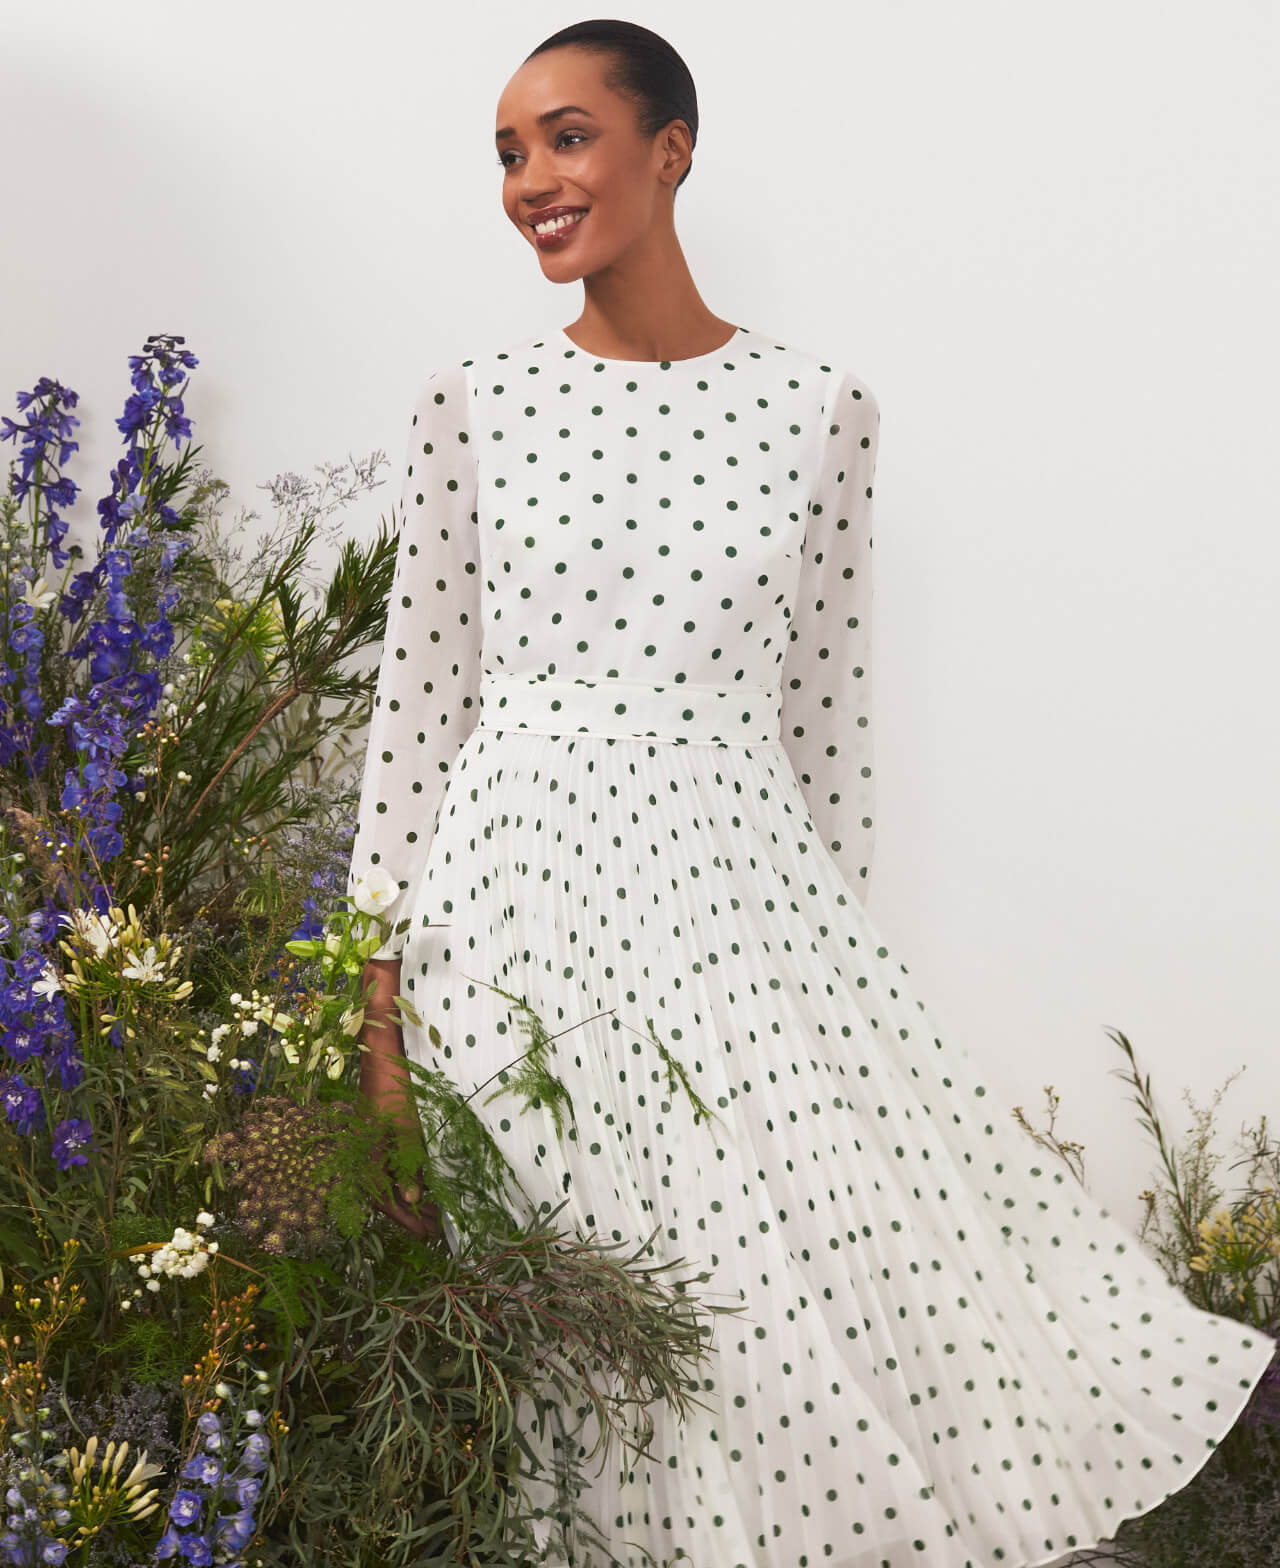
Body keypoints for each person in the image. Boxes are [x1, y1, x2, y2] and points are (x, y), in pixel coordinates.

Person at [348, 18, 1276, 1568]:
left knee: (773, 1318)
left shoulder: (818, 409)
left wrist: (835, 1002)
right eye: (508, 153)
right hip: (508, 925)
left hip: (737, 922)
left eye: (566, 136)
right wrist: (374, 1030)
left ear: (670, 146)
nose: (530, 180)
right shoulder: (475, 402)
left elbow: (823, 727)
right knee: (565, 1331)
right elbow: (416, 717)